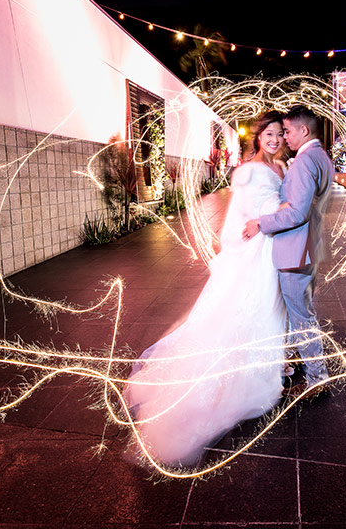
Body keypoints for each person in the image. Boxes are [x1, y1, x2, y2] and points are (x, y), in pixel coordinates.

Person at [123, 111, 289, 468]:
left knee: (270, 307)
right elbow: (239, 219)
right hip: (255, 250)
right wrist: (252, 230)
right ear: (258, 137)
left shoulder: (282, 168)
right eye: (269, 134)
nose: (274, 140)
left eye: (279, 134)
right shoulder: (246, 171)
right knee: (245, 309)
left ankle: (271, 362)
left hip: (273, 251)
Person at [243, 104, 334, 398]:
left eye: (288, 131)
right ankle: (306, 370)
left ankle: (317, 378)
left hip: (295, 250)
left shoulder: (304, 161)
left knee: (301, 317)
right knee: (300, 313)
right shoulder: (320, 157)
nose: (285, 138)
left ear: (303, 130)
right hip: (307, 247)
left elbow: (296, 213)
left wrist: (261, 222)